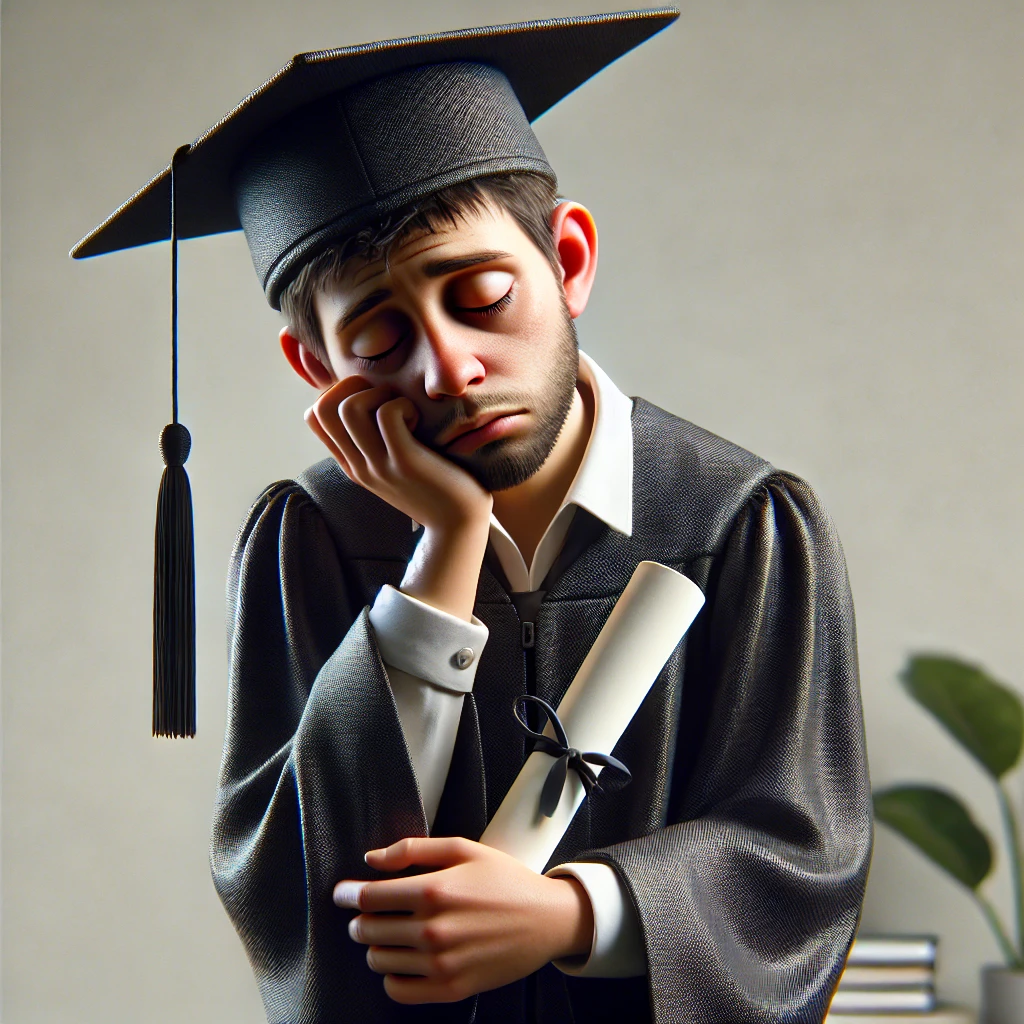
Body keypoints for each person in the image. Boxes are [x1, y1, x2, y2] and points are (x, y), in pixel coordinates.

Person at [72, 10, 872, 1023]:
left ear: (569, 260)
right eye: (377, 335)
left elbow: (799, 854)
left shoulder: (741, 523)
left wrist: (573, 912)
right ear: (316, 368)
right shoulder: (309, 539)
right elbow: (287, 879)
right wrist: (445, 550)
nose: (447, 367)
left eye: (483, 293)